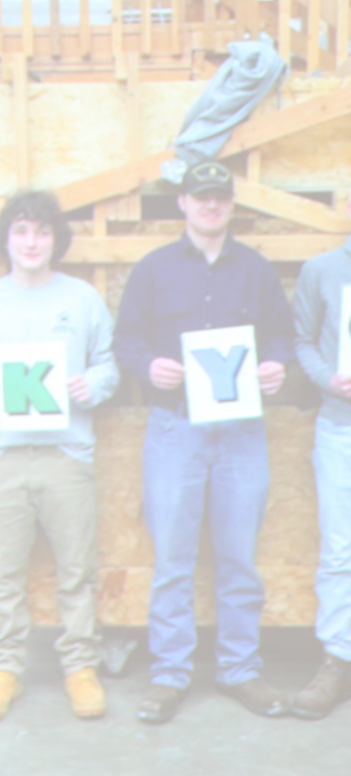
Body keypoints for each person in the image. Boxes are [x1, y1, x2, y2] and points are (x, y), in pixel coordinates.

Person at [113, 159, 294, 723]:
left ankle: (239, 668)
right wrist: (149, 366)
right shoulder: (153, 269)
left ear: (231, 205)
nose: (210, 205)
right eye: (200, 196)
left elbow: (283, 334)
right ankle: (170, 673)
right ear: (183, 204)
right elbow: (126, 339)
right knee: (173, 557)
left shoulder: (258, 270)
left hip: (241, 432)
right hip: (175, 429)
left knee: (239, 556)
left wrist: (275, 365)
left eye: (220, 196)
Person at [0, 191, 118, 721]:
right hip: (1, 456)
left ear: (55, 240)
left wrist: (89, 384)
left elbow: (110, 368)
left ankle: (80, 667)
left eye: (42, 232)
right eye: (21, 231)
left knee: (77, 568)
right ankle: (4, 670)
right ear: (6, 239)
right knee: (1, 571)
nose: (31, 242)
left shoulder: (83, 299)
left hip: (66, 454)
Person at [288, 234, 351, 718]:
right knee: (339, 551)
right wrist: (328, 377)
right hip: (340, 429)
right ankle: (339, 659)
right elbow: (302, 340)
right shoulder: (321, 269)